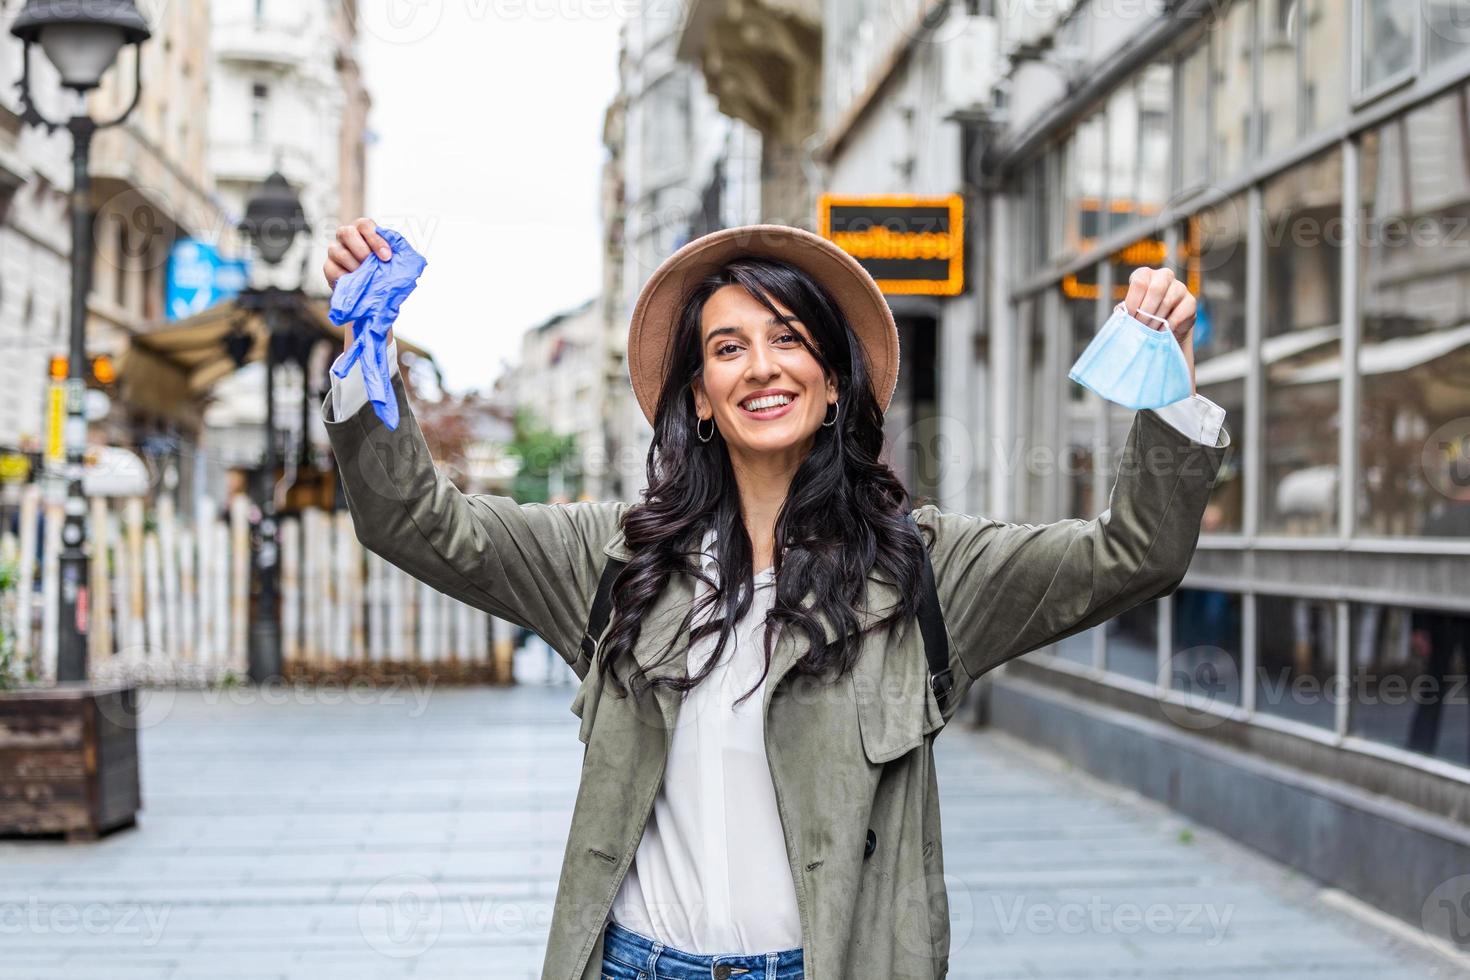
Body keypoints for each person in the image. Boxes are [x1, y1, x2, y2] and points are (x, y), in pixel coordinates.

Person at [321, 218, 1231, 979]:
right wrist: (371, 358)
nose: (761, 367)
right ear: (702, 399)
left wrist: (1170, 393)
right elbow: (415, 521)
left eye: (788, 339)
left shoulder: (925, 568)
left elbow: (1133, 555)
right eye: (728, 347)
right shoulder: (611, 561)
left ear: (833, 383)